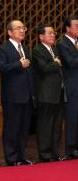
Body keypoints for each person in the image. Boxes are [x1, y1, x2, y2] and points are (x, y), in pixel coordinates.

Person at [0, 20, 34, 166]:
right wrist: (19, 64)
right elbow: (2, 67)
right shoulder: (3, 49)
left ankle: (21, 155)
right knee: (12, 127)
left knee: (24, 127)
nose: (22, 31)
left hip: (26, 94)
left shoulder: (25, 48)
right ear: (9, 32)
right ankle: (11, 157)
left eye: (23, 28)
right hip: (12, 95)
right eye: (18, 28)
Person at [32, 25, 64, 162]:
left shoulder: (54, 49)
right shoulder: (38, 50)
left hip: (58, 93)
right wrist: (56, 63)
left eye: (54, 33)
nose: (53, 35)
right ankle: (45, 153)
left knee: (56, 124)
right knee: (45, 124)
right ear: (41, 36)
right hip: (45, 93)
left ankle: (54, 152)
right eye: (50, 33)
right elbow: (44, 68)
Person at [57, 16, 78, 159]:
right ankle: (71, 149)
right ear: (68, 28)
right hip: (71, 87)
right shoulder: (62, 44)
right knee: (72, 118)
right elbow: (70, 62)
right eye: (76, 26)